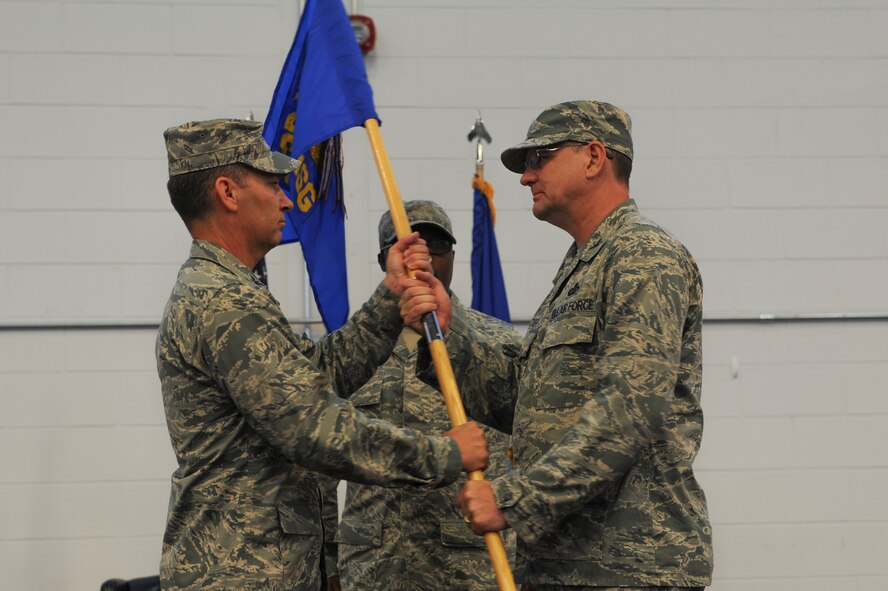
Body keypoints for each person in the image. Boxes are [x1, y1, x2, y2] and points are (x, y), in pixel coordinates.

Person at [157, 118, 489, 591]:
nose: (287, 199)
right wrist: (444, 453)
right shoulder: (222, 305)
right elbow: (314, 427)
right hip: (239, 573)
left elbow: (317, 376)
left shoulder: (232, 294)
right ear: (228, 193)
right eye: (272, 184)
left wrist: (390, 295)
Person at [416, 101, 713, 590]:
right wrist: (453, 332)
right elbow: (527, 403)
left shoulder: (642, 254)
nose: (525, 177)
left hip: (626, 566)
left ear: (594, 157)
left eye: (540, 159)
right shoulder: (582, 263)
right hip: (566, 563)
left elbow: (631, 410)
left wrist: (513, 500)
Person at [321, 201, 520, 591]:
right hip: (373, 567)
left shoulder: (496, 342)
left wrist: (529, 556)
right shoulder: (353, 351)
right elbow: (322, 466)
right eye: (408, 247)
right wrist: (326, 560)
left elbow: (530, 450)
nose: (424, 257)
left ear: (453, 257)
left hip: (468, 567)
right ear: (385, 261)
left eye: (437, 246)